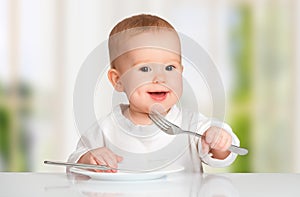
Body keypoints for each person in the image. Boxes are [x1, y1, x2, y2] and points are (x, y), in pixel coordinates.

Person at [68, 14, 240, 173]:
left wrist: (219, 142)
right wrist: (88, 159)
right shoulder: (106, 129)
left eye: (170, 67)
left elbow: (221, 157)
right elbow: (74, 163)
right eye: (145, 68)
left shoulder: (192, 125)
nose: (160, 78)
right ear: (118, 80)